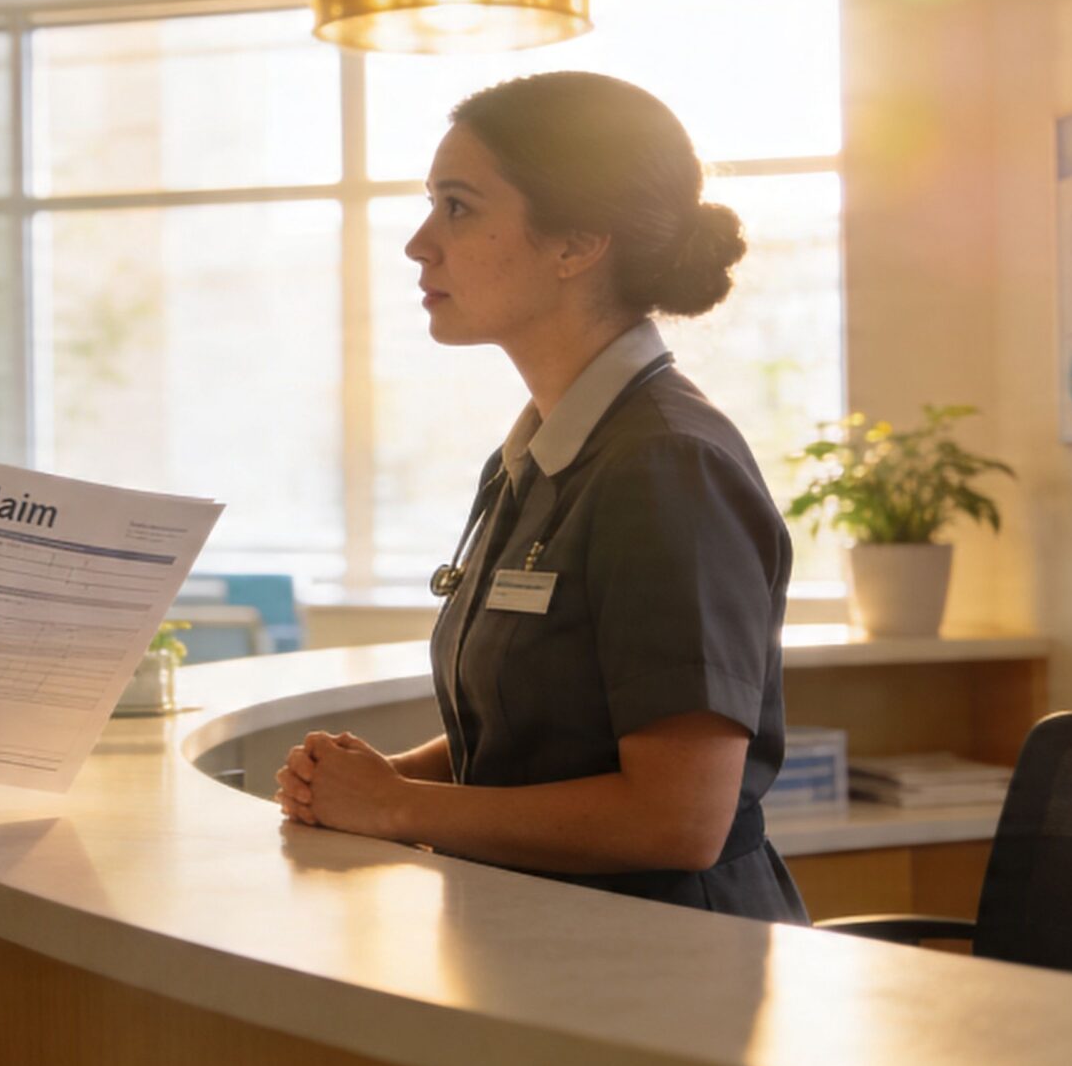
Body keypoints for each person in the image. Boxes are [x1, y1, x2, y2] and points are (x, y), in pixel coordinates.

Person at [276, 71, 809, 924]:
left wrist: (398, 809)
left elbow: (679, 819)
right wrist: (397, 774)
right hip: (545, 940)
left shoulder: (666, 466)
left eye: (458, 207)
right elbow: (553, 719)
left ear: (575, 244)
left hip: (669, 967)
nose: (419, 243)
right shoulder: (543, 451)